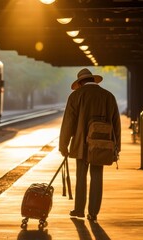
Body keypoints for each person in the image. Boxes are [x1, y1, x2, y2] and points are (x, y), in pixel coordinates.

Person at [59, 68, 121, 221]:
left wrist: (63, 145)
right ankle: (93, 213)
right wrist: (116, 146)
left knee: (81, 176)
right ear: (93, 80)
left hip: (81, 144)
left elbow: (68, 123)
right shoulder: (108, 96)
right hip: (102, 144)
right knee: (97, 175)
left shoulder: (75, 96)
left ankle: (79, 210)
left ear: (80, 83)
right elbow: (116, 124)